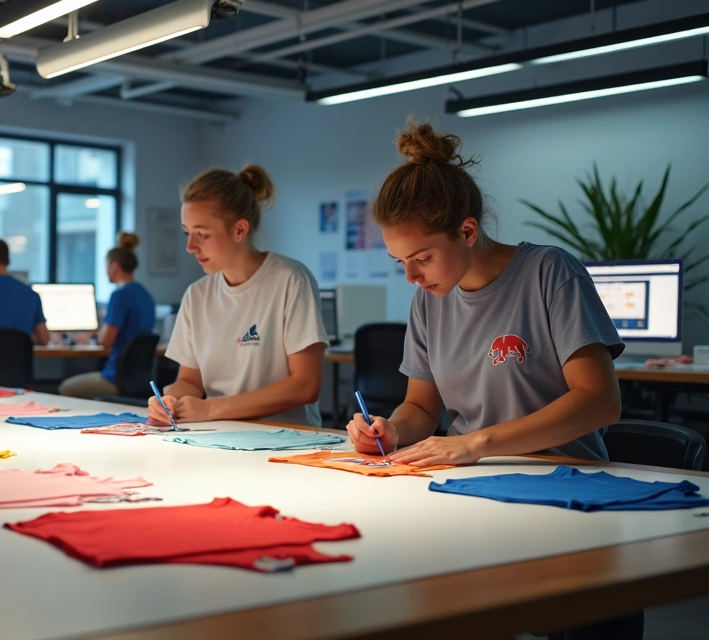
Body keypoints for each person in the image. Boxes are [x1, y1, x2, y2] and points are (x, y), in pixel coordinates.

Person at [344, 120, 633, 639]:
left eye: (421, 258)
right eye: (400, 263)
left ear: (468, 232)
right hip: (470, 489)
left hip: (563, 494)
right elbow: (420, 410)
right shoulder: (428, 302)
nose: (411, 276)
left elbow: (599, 402)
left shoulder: (550, 273)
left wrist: (477, 444)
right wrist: (389, 430)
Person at [147, 165, 329, 427]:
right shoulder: (197, 295)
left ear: (239, 230)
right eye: (187, 233)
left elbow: (305, 385)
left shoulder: (290, 279)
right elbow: (190, 381)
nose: (190, 247)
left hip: (286, 437)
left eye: (203, 234)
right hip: (217, 434)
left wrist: (211, 409)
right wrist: (170, 400)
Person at [59, 232, 156, 398]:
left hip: (115, 379)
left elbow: (106, 341)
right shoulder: (145, 294)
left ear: (115, 266)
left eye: (106, 267)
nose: (105, 273)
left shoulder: (120, 295)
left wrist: (88, 338)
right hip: (137, 380)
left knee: (64, 387)